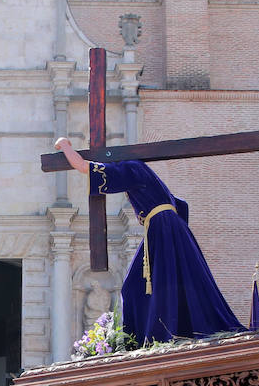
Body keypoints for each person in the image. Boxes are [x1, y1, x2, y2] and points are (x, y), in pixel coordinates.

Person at [53, 137, 245, 343]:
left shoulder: (131, 168)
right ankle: (161, 332)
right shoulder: (146, 174)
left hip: (162, 231)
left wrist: (64, 145)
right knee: (155, 282)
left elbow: (82, 166)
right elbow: (182, 206)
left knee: (138, 285)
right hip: (171, 231)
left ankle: (156, 336)